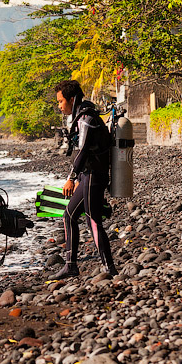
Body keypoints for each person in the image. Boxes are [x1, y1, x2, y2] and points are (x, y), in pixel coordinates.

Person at [51, 80, 117, 279]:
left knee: (93, 221)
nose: (59, 106)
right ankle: (71, 264)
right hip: (88, 176)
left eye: (61, 101)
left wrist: (71, 178)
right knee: (69, 215)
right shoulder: (80, 117)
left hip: (94, 176)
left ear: (72, 99)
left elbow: (83, 151)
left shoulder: (86, 118)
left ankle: (109, 267)